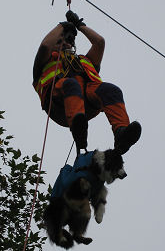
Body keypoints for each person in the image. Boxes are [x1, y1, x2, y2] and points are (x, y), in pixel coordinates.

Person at [33, 10, 141, 154]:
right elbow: (46, 45)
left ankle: (121, 134)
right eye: (60, 41)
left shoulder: (84, 61)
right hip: (59, 106)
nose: (65, 43)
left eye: (68, 41)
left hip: (87, 105)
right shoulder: (45, 61)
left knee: (111, 90)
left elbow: (99, 42)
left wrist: (79, 25)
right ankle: (79, 131)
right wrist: (62, 26)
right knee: (70, 84)